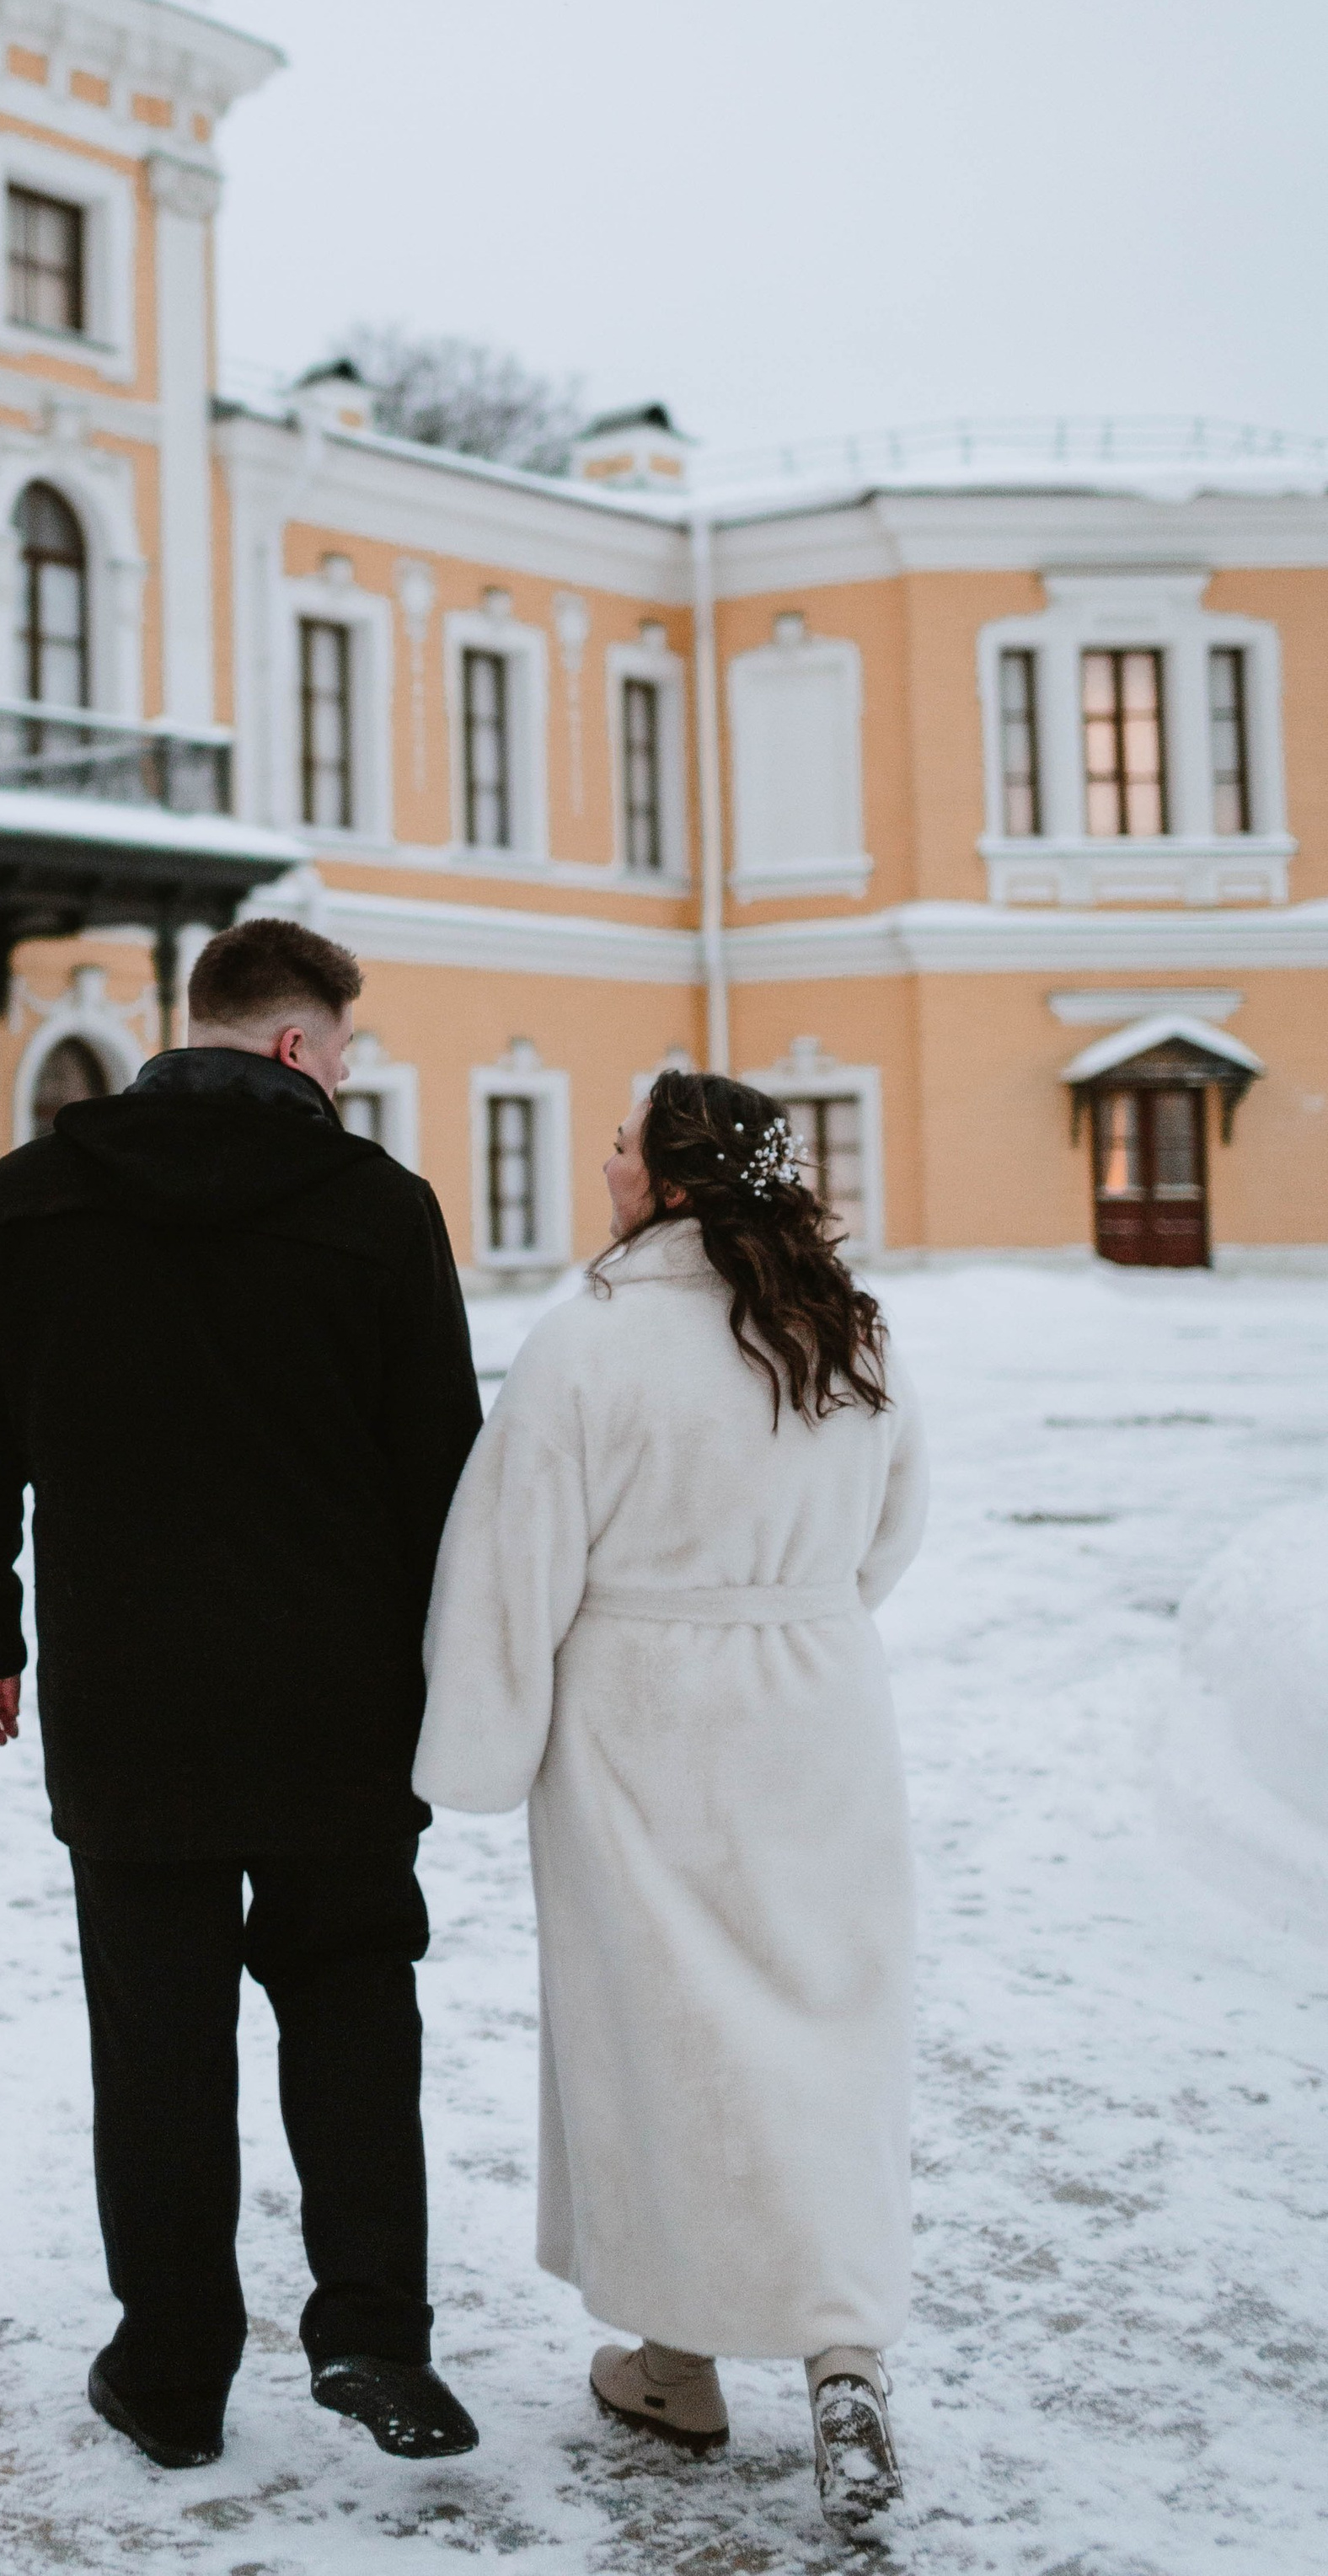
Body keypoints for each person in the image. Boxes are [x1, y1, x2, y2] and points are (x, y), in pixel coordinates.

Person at [0, 917, 485, 2473]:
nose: (350, 1073)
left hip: (130, 1692)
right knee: (357, 2000)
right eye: (347, 1048)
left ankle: (172, 2375)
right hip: (340, 1701)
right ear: (300, 1048)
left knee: (157, 2035)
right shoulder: (379, 1210)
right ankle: (375, 2331)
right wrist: (462, 1677)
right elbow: (440, 1473)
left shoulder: (34, 1195)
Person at [412, 1069, 927, 2545]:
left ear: (678, 1182)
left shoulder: (590, 1344)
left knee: (663, 2038)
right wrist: (791, 1621)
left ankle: (678, 2363)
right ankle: (843, 2354)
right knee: (827, 2022)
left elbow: (512, 1568)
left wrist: (475, 1754)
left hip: (643, 1724)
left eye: (626, 1144)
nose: (605, 1160)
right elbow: (892, 1529)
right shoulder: (854, 1330)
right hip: (819, 1709)